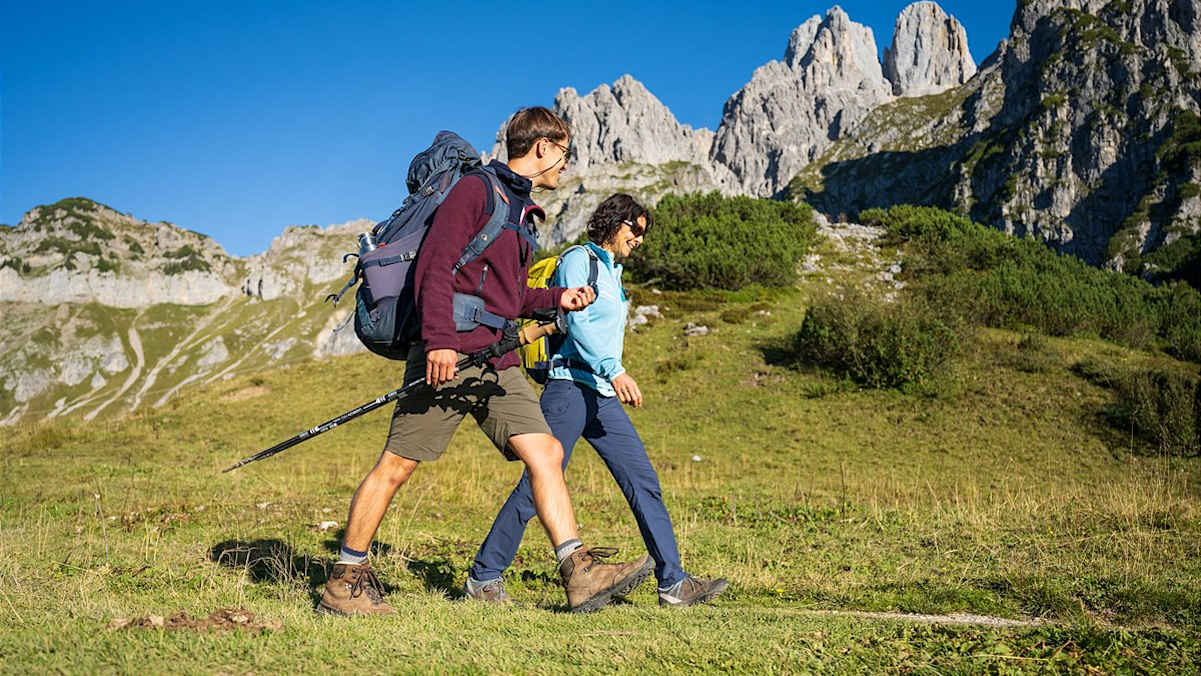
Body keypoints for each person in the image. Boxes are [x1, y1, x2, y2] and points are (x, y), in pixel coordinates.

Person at [319, 109, 654, 616]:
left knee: (545, 455)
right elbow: (434, 265)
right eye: (565, 152)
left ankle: (579, 572)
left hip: (498, 361)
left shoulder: (521, 212)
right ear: (541, 148)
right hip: (450, 354)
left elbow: (510, 294)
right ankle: (344, 580)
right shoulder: (476, 191)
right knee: (397, 465)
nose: (567, 165)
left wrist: (558, 298)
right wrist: (437, 342)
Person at [465, 194, 729, 608]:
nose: (640, 239)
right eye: (635, 230)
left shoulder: (615, 273)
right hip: (569, 388)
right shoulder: (579, 260)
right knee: (539, 482)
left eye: (644, 233)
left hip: (601, 395)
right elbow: (578, 324)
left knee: (643, 482)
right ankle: (484, 576)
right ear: (615, 222)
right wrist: (615, 369)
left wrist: (609, 374)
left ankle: (673, 584)